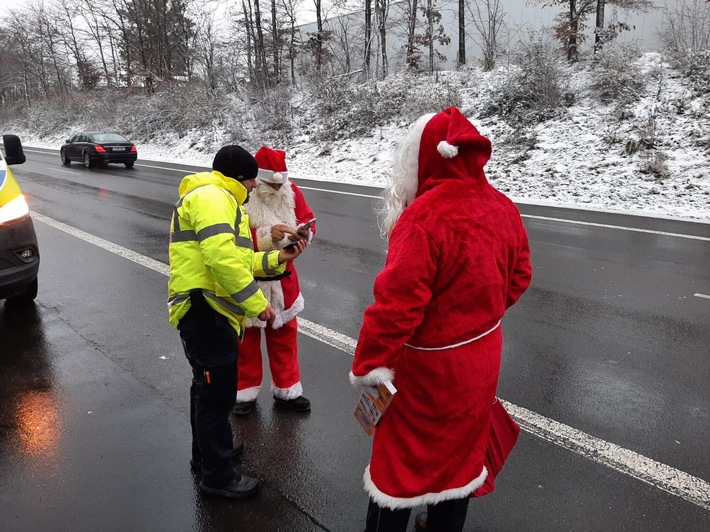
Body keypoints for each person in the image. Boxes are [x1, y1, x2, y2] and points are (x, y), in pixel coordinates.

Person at [349, 107, 532, 532]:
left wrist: (368, 365)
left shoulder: (422, 218)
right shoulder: (503, 207)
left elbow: (395, 309)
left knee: (402, 464)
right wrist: (476, 317)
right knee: (460, 457)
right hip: (481, 362)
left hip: (426, 372)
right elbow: (520, 275)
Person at [167, 145, 307, 499]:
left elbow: (242, 257)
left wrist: (278, 259)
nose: (251, 189)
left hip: (209, 312)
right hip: (205, 311)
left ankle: (210, 455)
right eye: (250, 182)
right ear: (240, 178)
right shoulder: (213, 197)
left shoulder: (221, 199)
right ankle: (217, 476)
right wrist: (258, 304)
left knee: (207, 390)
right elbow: (223, 260)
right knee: (215, 396)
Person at [233, 146, 316, 415]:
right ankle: (244, 392)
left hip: (284, 279)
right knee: (246, 340)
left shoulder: (291, 191)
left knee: (285, 337)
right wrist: (269, 236)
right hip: (250, 277)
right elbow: (235, 237)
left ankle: (287, 390)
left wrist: (301, 234)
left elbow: (308, 220)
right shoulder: (242, 195)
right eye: (269, 183)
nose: (276, 188)